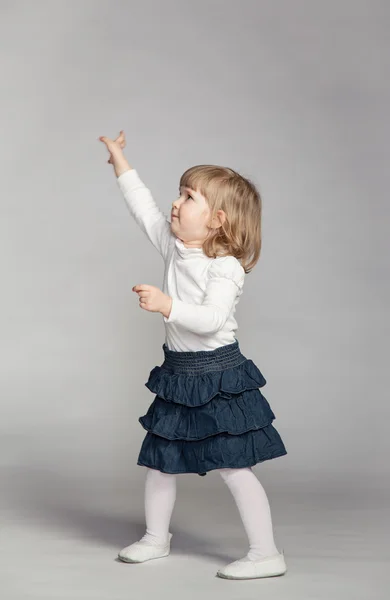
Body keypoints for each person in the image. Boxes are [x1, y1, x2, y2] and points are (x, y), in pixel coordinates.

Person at [98, 131, 288, 580]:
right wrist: (120, 159)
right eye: (180, 193)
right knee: (161, 459)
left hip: (219, 376)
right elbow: (141, 205)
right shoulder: (173, 244)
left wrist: (168, 306)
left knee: (234, 467)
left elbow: (212, 318)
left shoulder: (224, 267)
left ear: (218, 219)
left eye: (189, 197)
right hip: (179, 375)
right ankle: (155, 537)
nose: (177, 203)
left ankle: (266, 553)